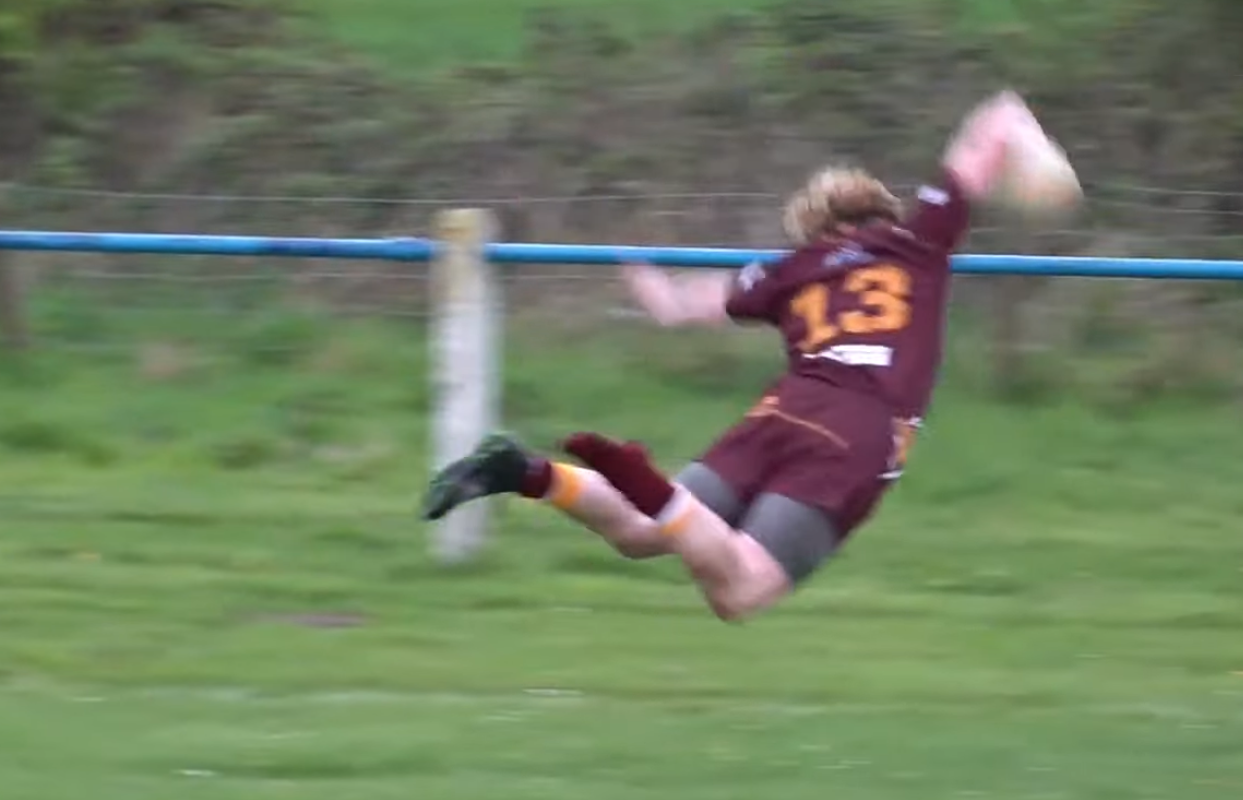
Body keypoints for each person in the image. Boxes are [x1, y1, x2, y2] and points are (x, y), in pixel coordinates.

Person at [421, 92, 1053, 623]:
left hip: (785, 409)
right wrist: (1026, 139)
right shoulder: (917, 242)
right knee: (740, 591)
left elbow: (688, 305)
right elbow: (989, 128)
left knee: (641, 534)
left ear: (813, 227)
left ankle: (523, 471)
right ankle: (650, 486)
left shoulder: (792, 270)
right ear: (878, 213)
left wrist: (659, 292)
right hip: (855, 432)